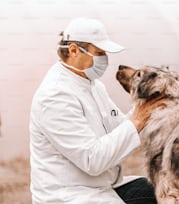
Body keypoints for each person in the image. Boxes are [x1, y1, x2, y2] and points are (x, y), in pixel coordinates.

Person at [29, 18, 159, 204]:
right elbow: (92, 160)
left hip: (100, 186)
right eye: (99, 52)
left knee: (164, 191)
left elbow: (121, 126)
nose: (105, 58)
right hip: (69, 195)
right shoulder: (55, 96)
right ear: (73, 50)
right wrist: (137, 119)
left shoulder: (93, 85)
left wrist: (153, 110)